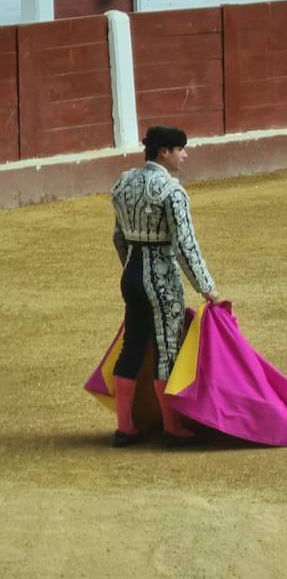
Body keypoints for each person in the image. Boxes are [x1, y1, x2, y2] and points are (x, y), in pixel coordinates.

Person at [109, 126, 221, 447]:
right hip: (160, 279)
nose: (185, 155)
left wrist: (131, 271)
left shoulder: (124, 183)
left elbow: (118, 237)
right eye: (180, 149)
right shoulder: (172, 192)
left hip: (130, 274)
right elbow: (185, 246)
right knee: (167, 350)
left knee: (132, 346)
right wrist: (207, 288)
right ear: (164, 153)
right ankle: (173, 428)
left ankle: (124, 428)